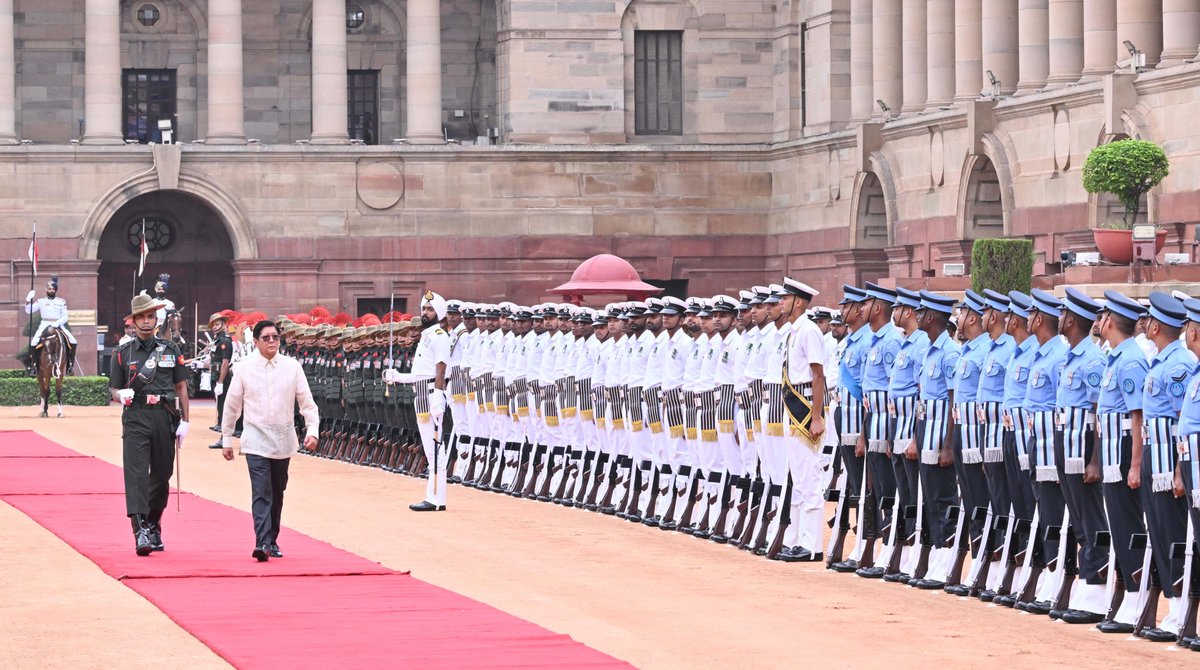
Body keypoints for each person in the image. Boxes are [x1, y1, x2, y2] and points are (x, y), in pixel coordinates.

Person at [221, 319, 319, 561]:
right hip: (255, 439)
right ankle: (262, 543)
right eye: (266, 338)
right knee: (262, 492)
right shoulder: (243, 368)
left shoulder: (292, 367)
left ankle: (272, 539)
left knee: (277, 491)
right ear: (255, 342)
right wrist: (226, 438)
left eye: (275, 337)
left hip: (283, 440)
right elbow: (232, 405)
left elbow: (306, 401)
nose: (272, 341)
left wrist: (312, 430)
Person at [109, 291, 190, 556]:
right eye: (141, 317)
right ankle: (140, 529)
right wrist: (120, 395)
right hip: (136, 418)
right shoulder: (122, 353)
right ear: (133, 321)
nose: (146, 321)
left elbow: (181, 387)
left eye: (150, 316)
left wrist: (185, 422)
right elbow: (113, 388)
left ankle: (154, 522)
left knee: (161, 475)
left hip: (163, 417)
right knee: (135, 474)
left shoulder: (170, 349)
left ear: (156, 319)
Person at [385, 291, 451, 511]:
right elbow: (419, 374)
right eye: (423, 308)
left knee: (435, 448)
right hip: (421, 393)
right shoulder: (426, 336)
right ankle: (434, 497)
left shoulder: (440, 335)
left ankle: (436, 498)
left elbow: (441, 366)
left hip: (432, 393)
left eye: (430, 309)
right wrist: (398, 377)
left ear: (439, 312)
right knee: (429, 448)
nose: (425, 313)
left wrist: (439, 395)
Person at [24, 275, 78, 374]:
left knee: (73, 340)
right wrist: (28, 299)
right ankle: (34, 366)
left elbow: (65, 316)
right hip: (45, 323)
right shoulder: (41, 301)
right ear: (46, 289)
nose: (51, 290)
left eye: (53, 289)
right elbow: (28, 311)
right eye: (49, 288)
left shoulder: (61, 302)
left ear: (55, 290)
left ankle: (70, 366)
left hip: (58, 324)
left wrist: (56, 323)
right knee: (34, 342)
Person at [208, 312, 234, 449]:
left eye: (217, 324)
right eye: (213, 325)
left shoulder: (225, 341)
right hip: (215, 376)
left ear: (224, 325)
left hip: (222, 378)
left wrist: (220, 382)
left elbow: (225, 363)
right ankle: (223, 437)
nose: (214, 327)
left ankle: (225, 439)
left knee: (224, 409)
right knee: (220, 408)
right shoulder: (217, 341)